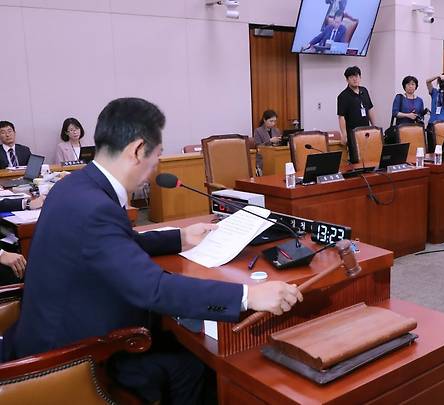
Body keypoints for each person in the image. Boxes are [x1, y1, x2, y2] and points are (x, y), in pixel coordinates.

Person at [5, 98, 303, 404]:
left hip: (44, 330)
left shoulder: (75, 186)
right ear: (137, 150)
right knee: (192, 362)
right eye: (157, 155)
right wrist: (248, 296)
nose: (156, 166)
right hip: (72, 359)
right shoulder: (96, 208)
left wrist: (180, 238)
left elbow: (112, 244)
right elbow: (153, 288)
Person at [338, 66, 375, 163]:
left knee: (368, 156)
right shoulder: (343, 96)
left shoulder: (364, 91)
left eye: (357, 76)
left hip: (366, 131)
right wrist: (344, 135)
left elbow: (370, 109)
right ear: (347, 79)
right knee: (356, 159)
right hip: (352, 132)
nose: (355, 79)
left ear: (360, 77)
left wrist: (374, 127)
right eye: (351, 77)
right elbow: (341, 117)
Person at [425, 72, 444, 151]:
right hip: (432, 123)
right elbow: (427, 81)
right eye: (442, 81)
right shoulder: (434, 92)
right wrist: (439, 76)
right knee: (432, 149)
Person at [253, 110, 282, 174]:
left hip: (275, 156)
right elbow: (258, 147)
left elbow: (280, 146)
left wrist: (281, 141)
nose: (273, 123)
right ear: (264, 120)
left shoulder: (276, 130)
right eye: (271, 121)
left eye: (274, 121)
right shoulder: (258, 131)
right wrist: (270, 141)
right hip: (263, 158)